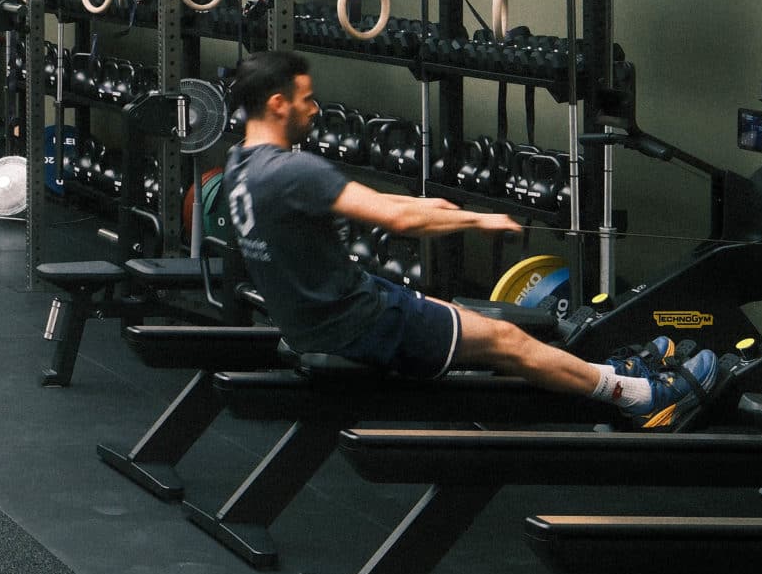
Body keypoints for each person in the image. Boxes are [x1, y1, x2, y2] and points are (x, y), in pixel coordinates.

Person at [222, 50, 715, 428]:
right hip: (361, 323)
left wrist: (446, 208)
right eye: (306, 99)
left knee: (474, 318)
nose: (314, 108)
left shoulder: (241, 167)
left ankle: (609, 369)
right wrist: (481, 222)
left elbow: (377, 203)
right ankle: (639, 397)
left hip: (325, 318)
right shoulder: (294, 171)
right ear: (277, 103)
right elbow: (398, 220)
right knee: (505, 339)